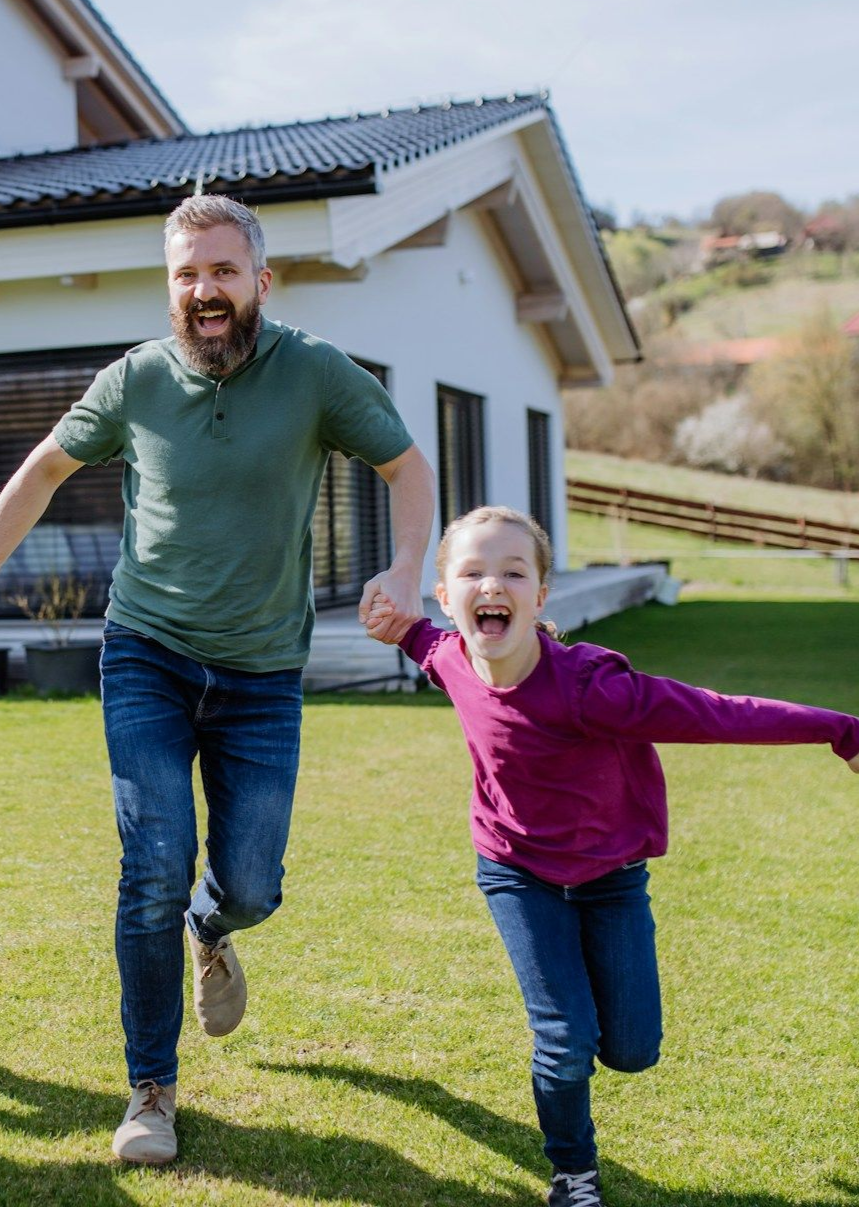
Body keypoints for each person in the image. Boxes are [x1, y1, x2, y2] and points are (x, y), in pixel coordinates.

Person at [0, 193, 435, 1163]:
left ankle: (213, 927)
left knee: (249, 881)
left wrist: (406, 568)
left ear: (260, 278)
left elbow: (407, 466)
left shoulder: (314, 373)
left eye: (219, 270)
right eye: (184, 274)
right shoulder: (135, 381)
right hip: (146, 652)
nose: (202, 290)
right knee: (150, 863)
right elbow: (41, 470)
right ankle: (151, 1089)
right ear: (168, 286)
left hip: (259, 669)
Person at [365, 506, 859, 1207]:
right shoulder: (447, 656)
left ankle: (592, 1046)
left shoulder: (597, 691)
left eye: (513, 571)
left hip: (611, 879)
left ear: (541, 595)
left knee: (631, 1049)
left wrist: (843, 731)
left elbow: (720, 713)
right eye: (471, 572)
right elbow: (419, 639)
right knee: (564, 1040)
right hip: (515, 871)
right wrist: (397, 623)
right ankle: (573, 1175)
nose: (490, 584)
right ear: (445, 595)